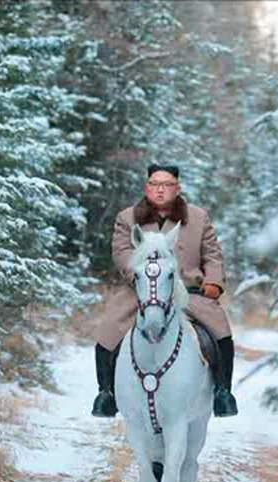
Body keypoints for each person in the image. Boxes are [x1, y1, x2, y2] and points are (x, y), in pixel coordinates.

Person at [92, 163, 239, 418]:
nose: (160, 190)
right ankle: (106, 393)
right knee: (108, 330)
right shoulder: (127, 218)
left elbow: (213, 255)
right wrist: (139, 277)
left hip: (190, 292)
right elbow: (122, 254)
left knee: (220, 332)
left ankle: (222, 392)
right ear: (146, 187)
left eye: (167, 185)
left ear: (177, 188)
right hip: (141, 290)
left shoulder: (198, 217)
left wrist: (214, 281)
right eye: (154, 184)